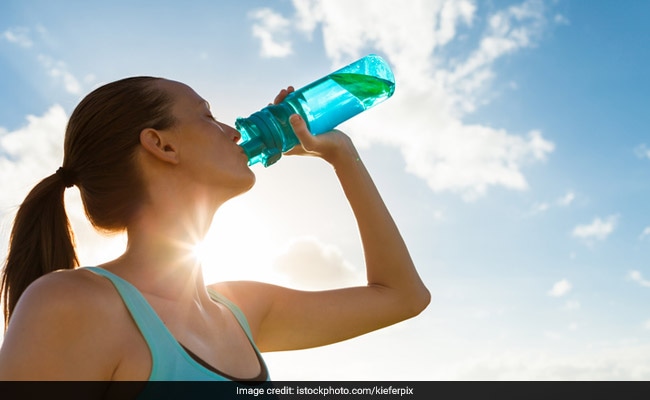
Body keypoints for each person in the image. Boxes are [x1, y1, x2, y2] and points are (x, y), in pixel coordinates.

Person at [0, 77, 430, 386]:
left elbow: (403, 297)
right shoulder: (73, 304)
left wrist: (341, 154)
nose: (232, 129)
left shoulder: (240, 309)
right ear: (162, 145)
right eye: (208, 115)